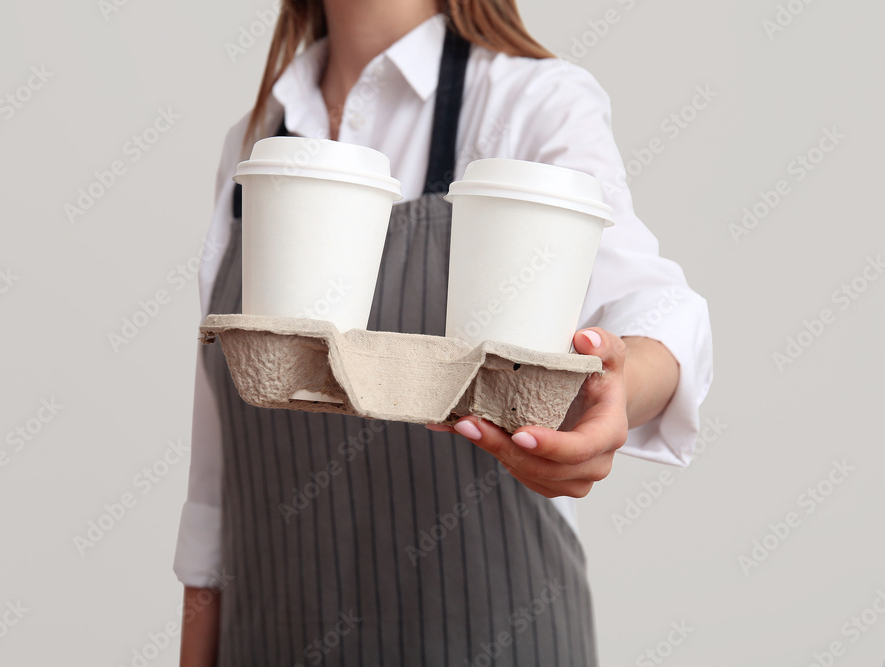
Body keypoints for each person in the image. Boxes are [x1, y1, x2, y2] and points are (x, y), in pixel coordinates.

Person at [174, 0, 713, 665]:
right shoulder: (254, 144)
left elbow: (653, 307)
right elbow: (214, 492)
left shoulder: (529, 105)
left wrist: (619, 391)